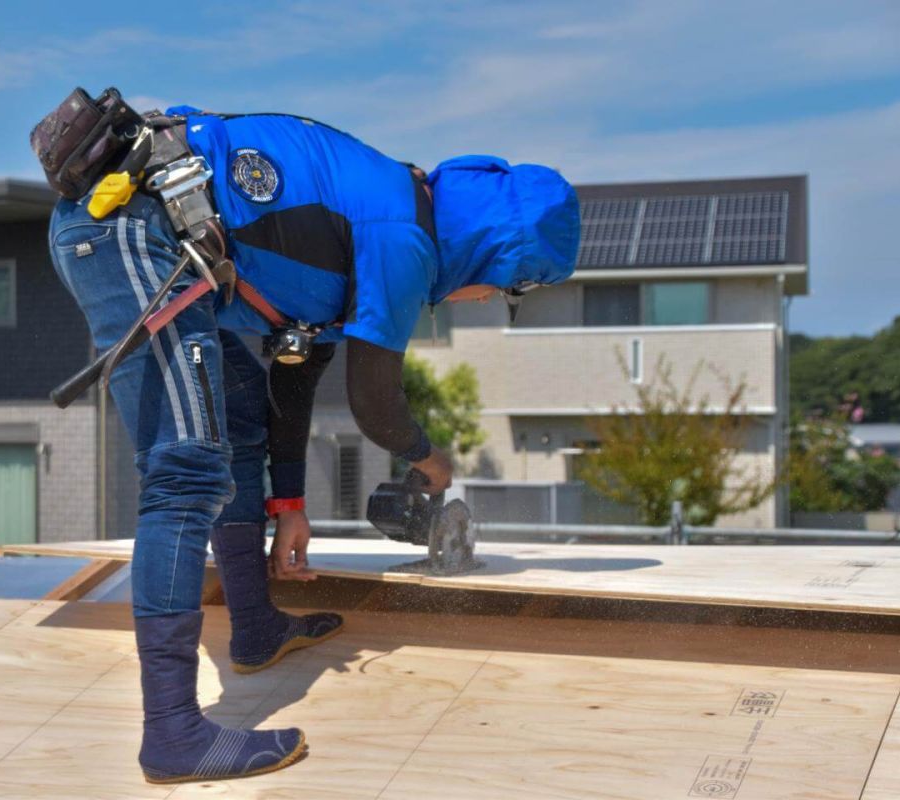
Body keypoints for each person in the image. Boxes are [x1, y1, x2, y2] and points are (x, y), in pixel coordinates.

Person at [42, 99, 579, 785]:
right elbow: (375, 406)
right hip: (128, 227)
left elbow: (297, 369)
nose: (482, 302)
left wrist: (288, 503)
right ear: (494, 254)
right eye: (506, 290)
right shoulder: (402, 236)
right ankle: (172, 734)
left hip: (133, 222)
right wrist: (432, 463)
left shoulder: (381, 207)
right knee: (186, 472)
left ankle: (256, 629)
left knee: (236, 414)